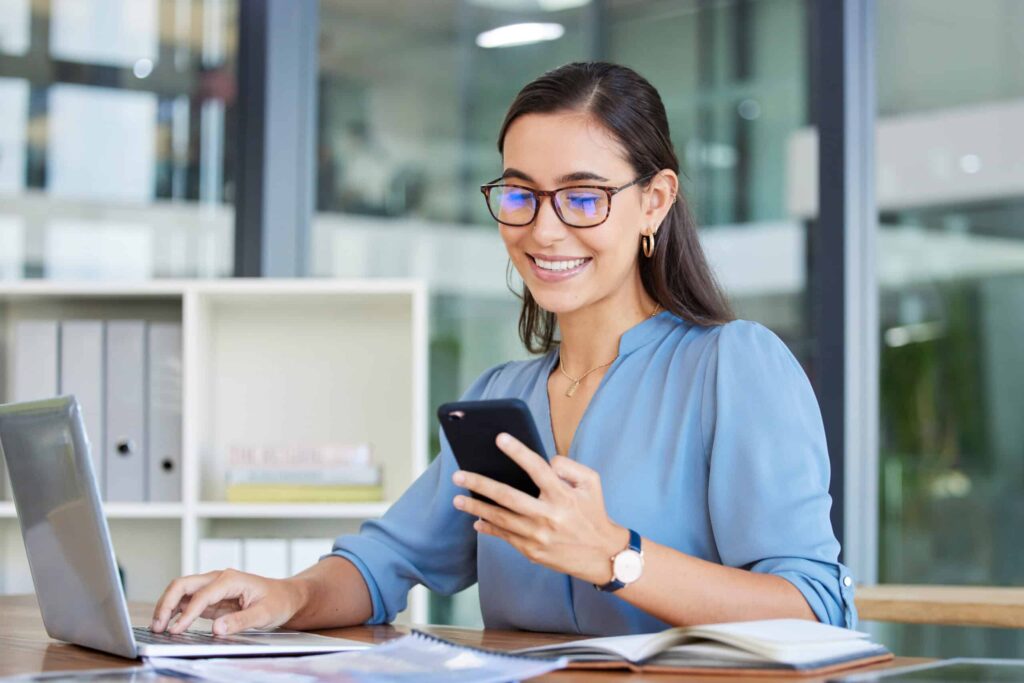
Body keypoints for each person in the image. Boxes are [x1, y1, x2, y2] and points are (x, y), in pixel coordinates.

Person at [151, 62, 855, 638]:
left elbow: (816, 607)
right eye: (520, 195)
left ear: (655, 201)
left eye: (583, 198)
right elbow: (384, 562)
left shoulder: (732, 366)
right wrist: (288, 595)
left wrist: (615, 555)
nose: (544, 232)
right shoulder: (502, 395)